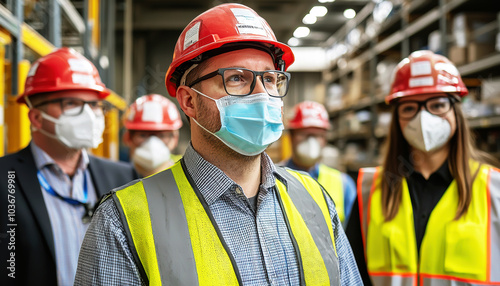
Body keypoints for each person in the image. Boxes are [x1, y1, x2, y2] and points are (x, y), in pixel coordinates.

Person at [75, 3, 362, 285]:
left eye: (271, 79)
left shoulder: (316, 200)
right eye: (237, 78)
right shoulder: (121, 222)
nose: (262, 95)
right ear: (189, 101)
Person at [346, 50, 500, 285]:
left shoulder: (494, 190)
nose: (423, 118)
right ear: (397, 119)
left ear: (456, 112)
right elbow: (352, 276)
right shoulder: (370, 191)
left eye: (437, 105)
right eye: (409, 108)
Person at [0, 48, 139, 286]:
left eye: (94, 105)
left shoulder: (122, 176)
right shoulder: (5, 179)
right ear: (36, 118)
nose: (88, 115)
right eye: (71, 103)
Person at [283, 100, 357, 226]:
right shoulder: (271, 178)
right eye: (304, 134)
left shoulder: (344, 184)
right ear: (291, 136)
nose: (311, 141)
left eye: (317, 135)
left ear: (325, 139)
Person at [123, 94, 183, 177]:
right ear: (128, 138)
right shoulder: (113, 177)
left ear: (175, 139)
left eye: (161, 136)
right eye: (143, 135)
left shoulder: (187, 174)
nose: (152, 143)